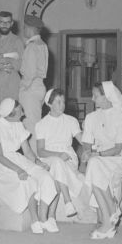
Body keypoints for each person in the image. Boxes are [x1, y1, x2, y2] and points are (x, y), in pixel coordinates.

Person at [0, 98, 57, 234]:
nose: (23, 113)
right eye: (20, 112)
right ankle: (35, 220)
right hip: (1, 165)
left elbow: (27, 151)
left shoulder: (18, 124)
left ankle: (43, 218)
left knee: (45, 176)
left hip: (16, 159)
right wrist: (19, 170)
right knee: (28, 181)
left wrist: (38, 162)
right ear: (10, 115)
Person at [82, 81, 122, 240]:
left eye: (96, 95)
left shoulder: (120, 117)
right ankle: (108, 219)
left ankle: (108, 216)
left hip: (119, 158)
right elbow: (87, 142)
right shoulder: (91, 117)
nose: (92, 99)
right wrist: (87, 152)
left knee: (94, 165)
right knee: (93, 165)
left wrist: (96, 154)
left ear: (107, 97)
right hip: (100, 158)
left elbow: (118, 149)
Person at [35, 89, 84, 225]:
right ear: (49, 104)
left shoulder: (71, 121)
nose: (62, 105)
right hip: (49, 157)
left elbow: (83, 140)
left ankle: (52, 215)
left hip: (68, 157)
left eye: (63, 101)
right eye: (58, 102)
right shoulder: (41, 124)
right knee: (56, 163)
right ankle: (65, 205)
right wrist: (58, 155)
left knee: (57, 168)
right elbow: (40, 151)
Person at [0, 11, 24, 125]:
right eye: (2, 22)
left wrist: (9, 62)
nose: (4, 25)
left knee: (11, 112)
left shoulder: (17, 41)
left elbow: (22, 64)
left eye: (7, 22)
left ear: (12, 23)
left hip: (10, 80)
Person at [19, 14, 48, 154]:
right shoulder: (42, 45)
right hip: (40, 86)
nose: (24, 29)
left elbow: (29, 73)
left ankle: (33, 158)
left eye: (25, 27)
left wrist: (24, 88)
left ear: (30, 29)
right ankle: (35, 156)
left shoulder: (31, 46)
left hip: (30, 88)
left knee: (30, 126)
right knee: (36, 123)